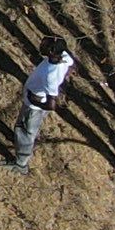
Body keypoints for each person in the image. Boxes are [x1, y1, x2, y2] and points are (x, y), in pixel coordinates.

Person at [12, 35, 74, 172]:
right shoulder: (64, 57)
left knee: (25, 131)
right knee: (23, 129)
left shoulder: (50, 75)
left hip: (34, 107)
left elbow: (51, 105)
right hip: (32, 101)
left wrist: (34, 101)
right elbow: (72, 65)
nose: (40, 44)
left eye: (44, 44)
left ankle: (21, 163)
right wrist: (65, 75)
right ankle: (21, 149)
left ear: (51, 50)